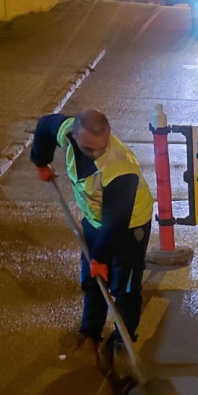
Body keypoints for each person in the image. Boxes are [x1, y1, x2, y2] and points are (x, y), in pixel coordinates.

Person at [30, 108, 156, 356]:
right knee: (92, 280)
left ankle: (124, 336)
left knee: (125, 286)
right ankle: (90, 331)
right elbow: (45, 125)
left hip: (130, 226)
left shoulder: (120, 170)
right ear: (74, 135)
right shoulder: (66, 131)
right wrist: (40, 161)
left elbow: (116, 222)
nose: (97, 153)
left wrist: (99, 257)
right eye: (89, 149)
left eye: (102, 147)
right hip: (95, 219)